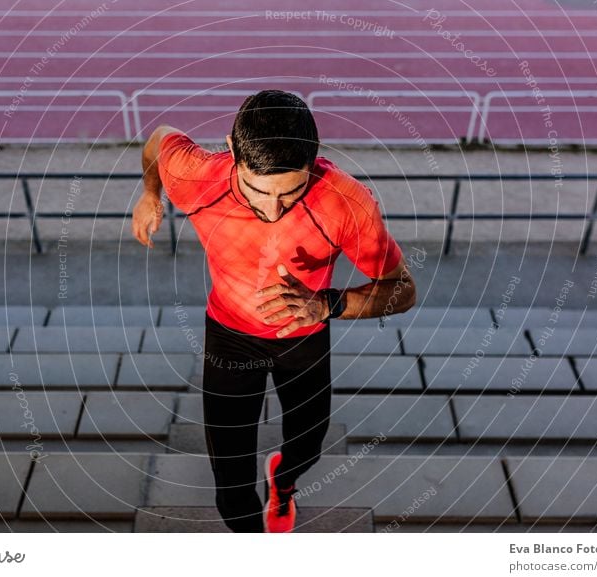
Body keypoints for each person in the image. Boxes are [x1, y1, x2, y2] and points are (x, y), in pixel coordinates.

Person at [132, 89, 416, 533]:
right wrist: (151, 195)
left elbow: (403, 291)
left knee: (308, 447)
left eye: (290, 193)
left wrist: (325, 304)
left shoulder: (347, 203)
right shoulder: (197, 177)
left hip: (304, 335)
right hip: (228, 334)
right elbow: (157, 140)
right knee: (229, 481)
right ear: (231, 150)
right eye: (257, 190)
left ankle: (283, 483)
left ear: (314, 159)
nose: (272, 209)